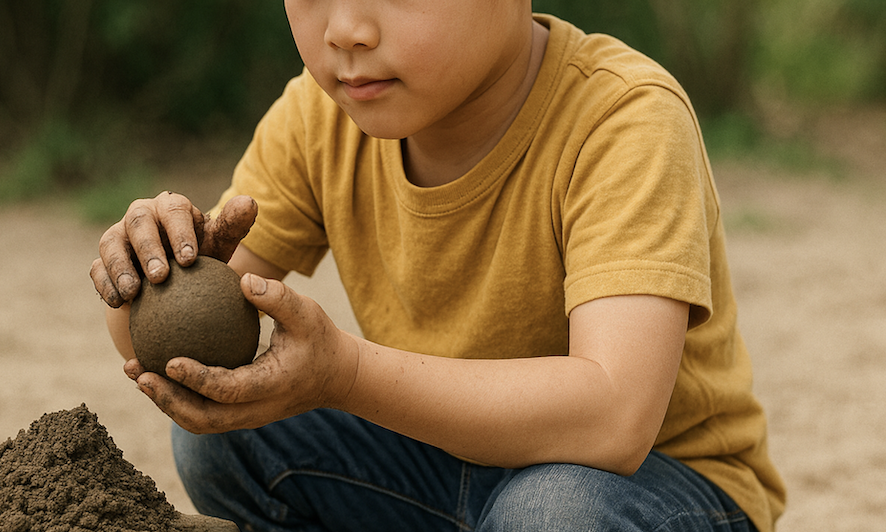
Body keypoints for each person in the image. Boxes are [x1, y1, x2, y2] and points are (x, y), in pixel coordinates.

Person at [90, 2, 786, 531]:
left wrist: (346, 373)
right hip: (438, 458)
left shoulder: (621, 116)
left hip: (650, 487)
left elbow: (614, 418)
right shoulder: (318, 117)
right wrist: (148, 278)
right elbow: (184, 347)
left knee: (550, 512)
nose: (346, 30)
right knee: (229, 438)